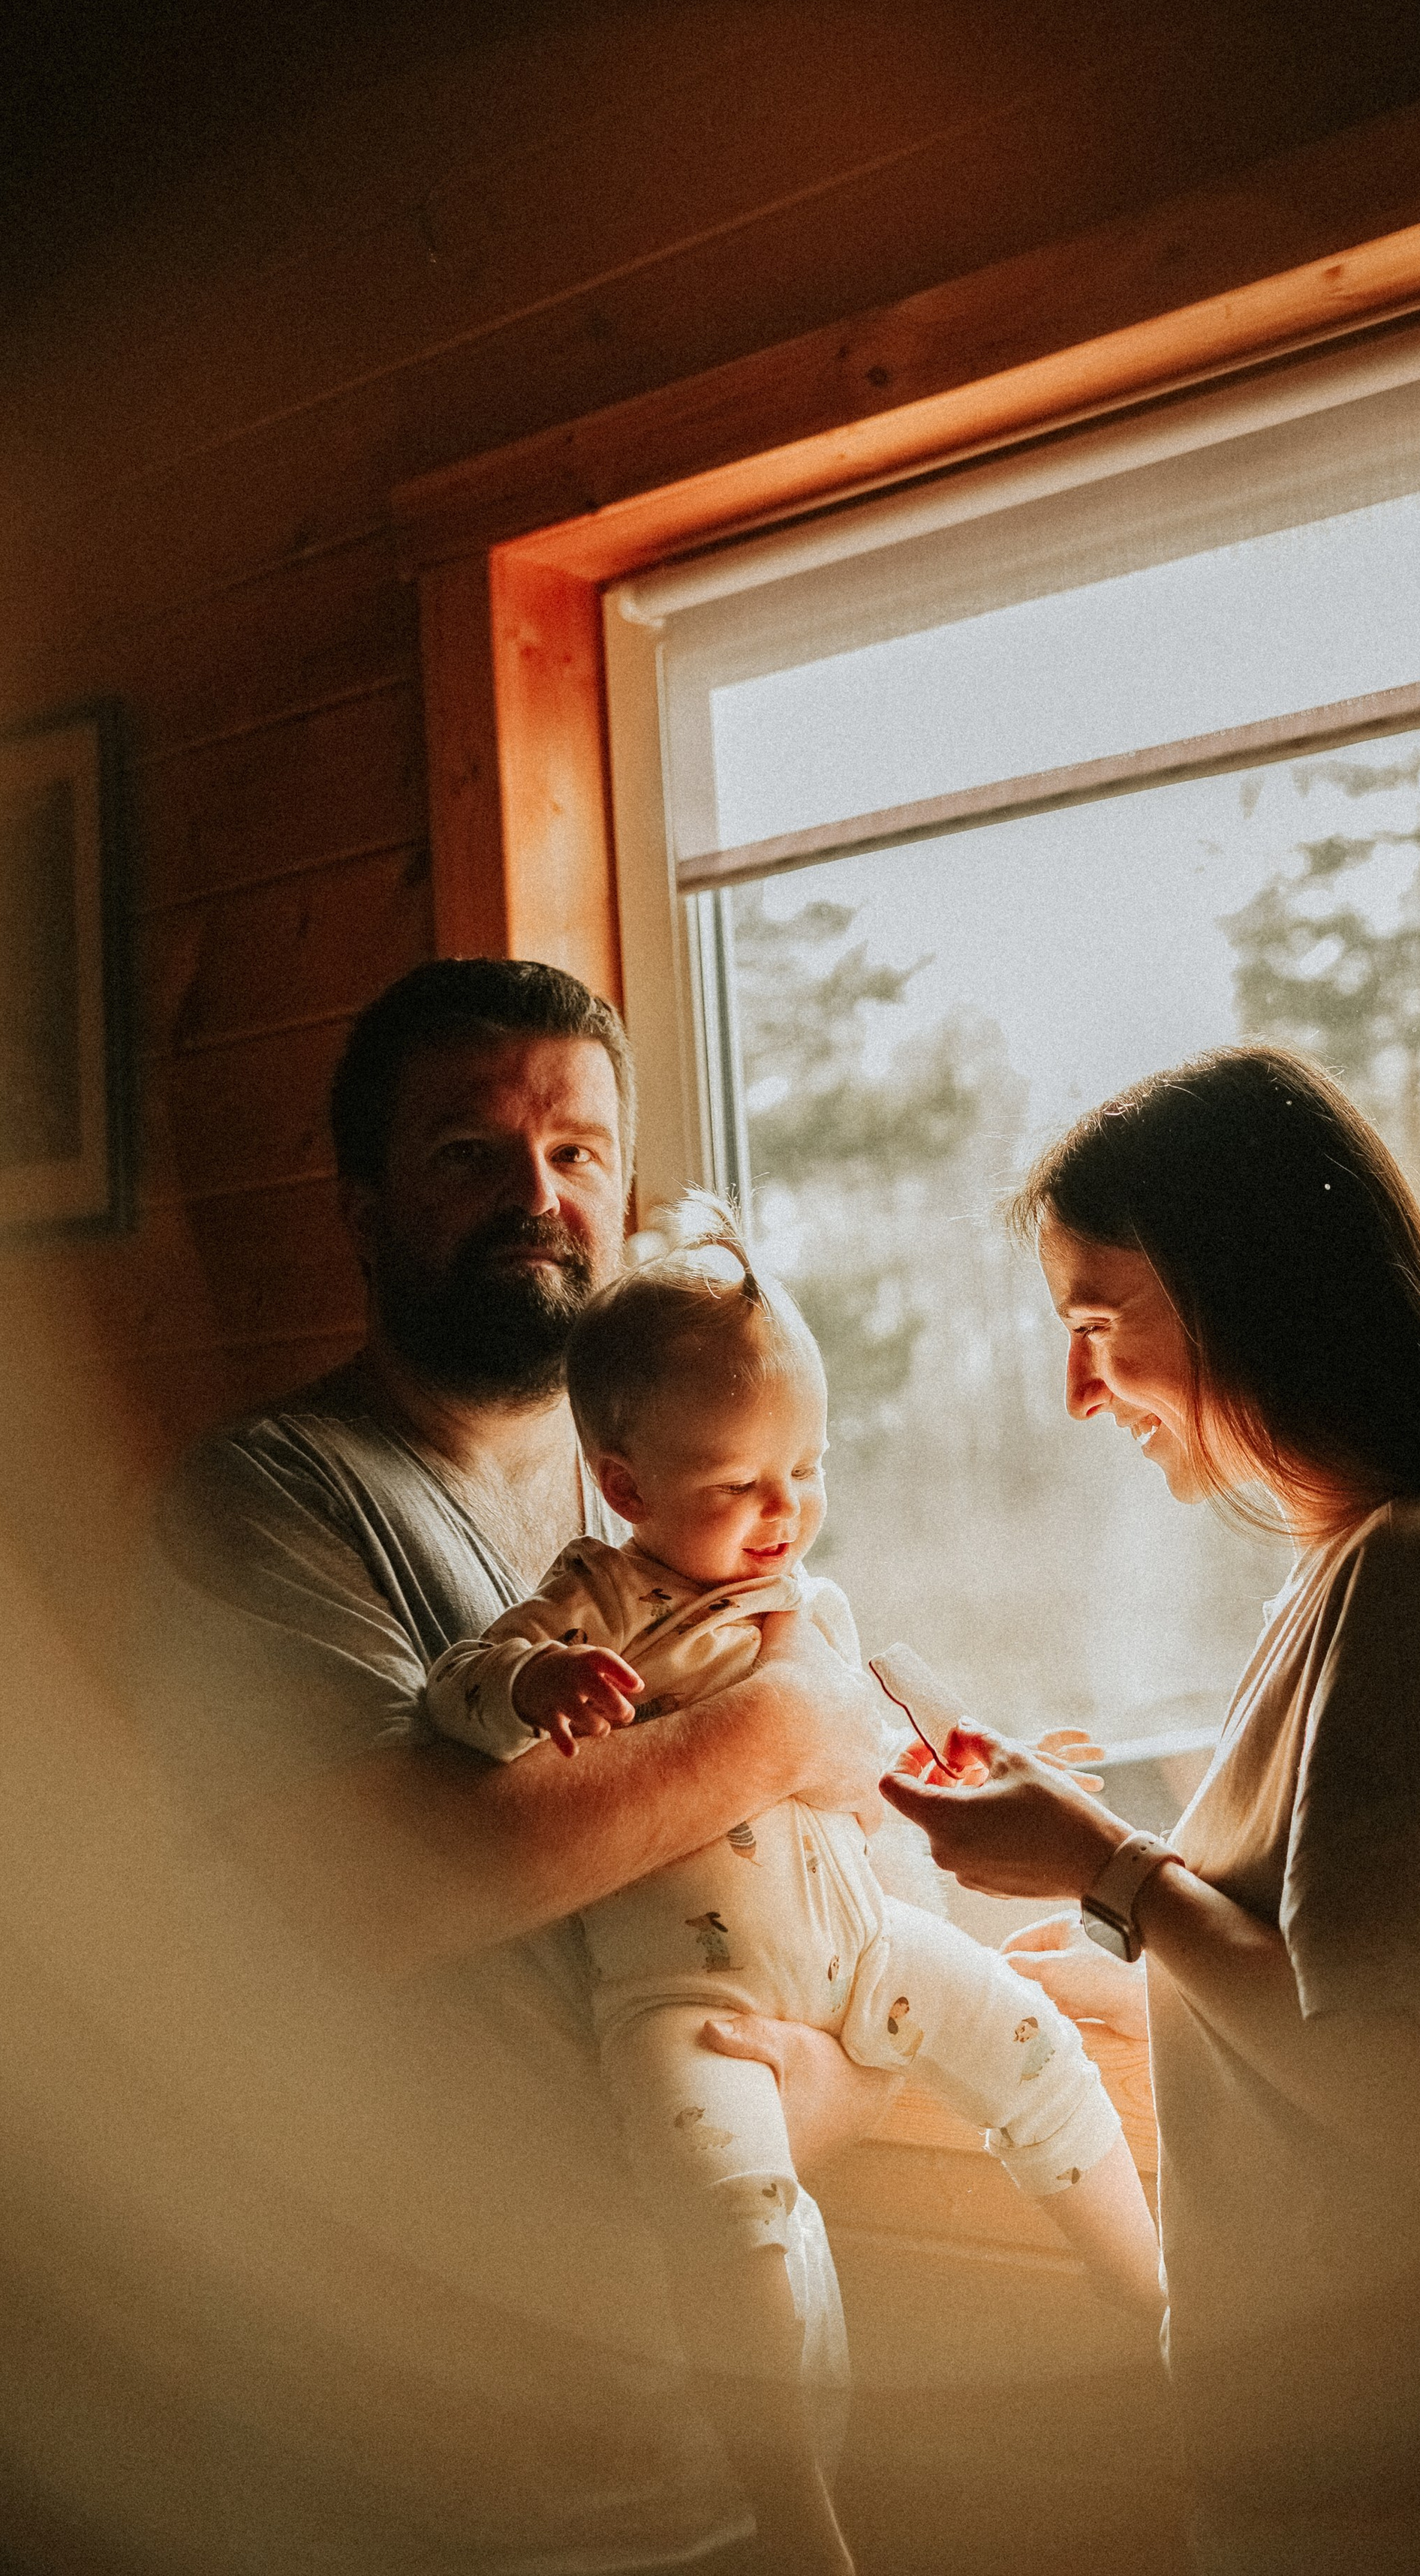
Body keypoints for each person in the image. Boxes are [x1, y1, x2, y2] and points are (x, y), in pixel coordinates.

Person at [883, 1046, 1420, 2576]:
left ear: (1239, 1290)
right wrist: (1100, 1973)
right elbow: (1351, 1980)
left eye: (1094, 1326)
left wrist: (1104, 1867)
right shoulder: (1354, 1570)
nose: (1077, 1397)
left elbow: (1419, 2094)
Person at [134, 958, 895, 2574]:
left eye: (576, 1153)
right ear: (360, 1206)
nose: (535, 1197)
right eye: (468, 1154)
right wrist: (785, 1723)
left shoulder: (690, 1494)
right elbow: (385, 1881)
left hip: (727, 2443)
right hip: (416, 2475)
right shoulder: (267, 1501)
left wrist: (836, 2078)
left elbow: (842, 1892)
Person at [424, 1197, 1160, 2573]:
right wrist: (535, 1682)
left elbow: (876, 1748)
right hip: (680, 2004)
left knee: (1030, 2039)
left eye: (807, 1472)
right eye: (740, 1486)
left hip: (862, 1952)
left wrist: (986, 1755)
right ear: (628, 1487)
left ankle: (1148, 2297)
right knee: (735, 2219)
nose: (785, 1515)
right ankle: (790, 2505)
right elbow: (452, 1694)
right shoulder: (602, 1598)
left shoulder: (812, 1600)